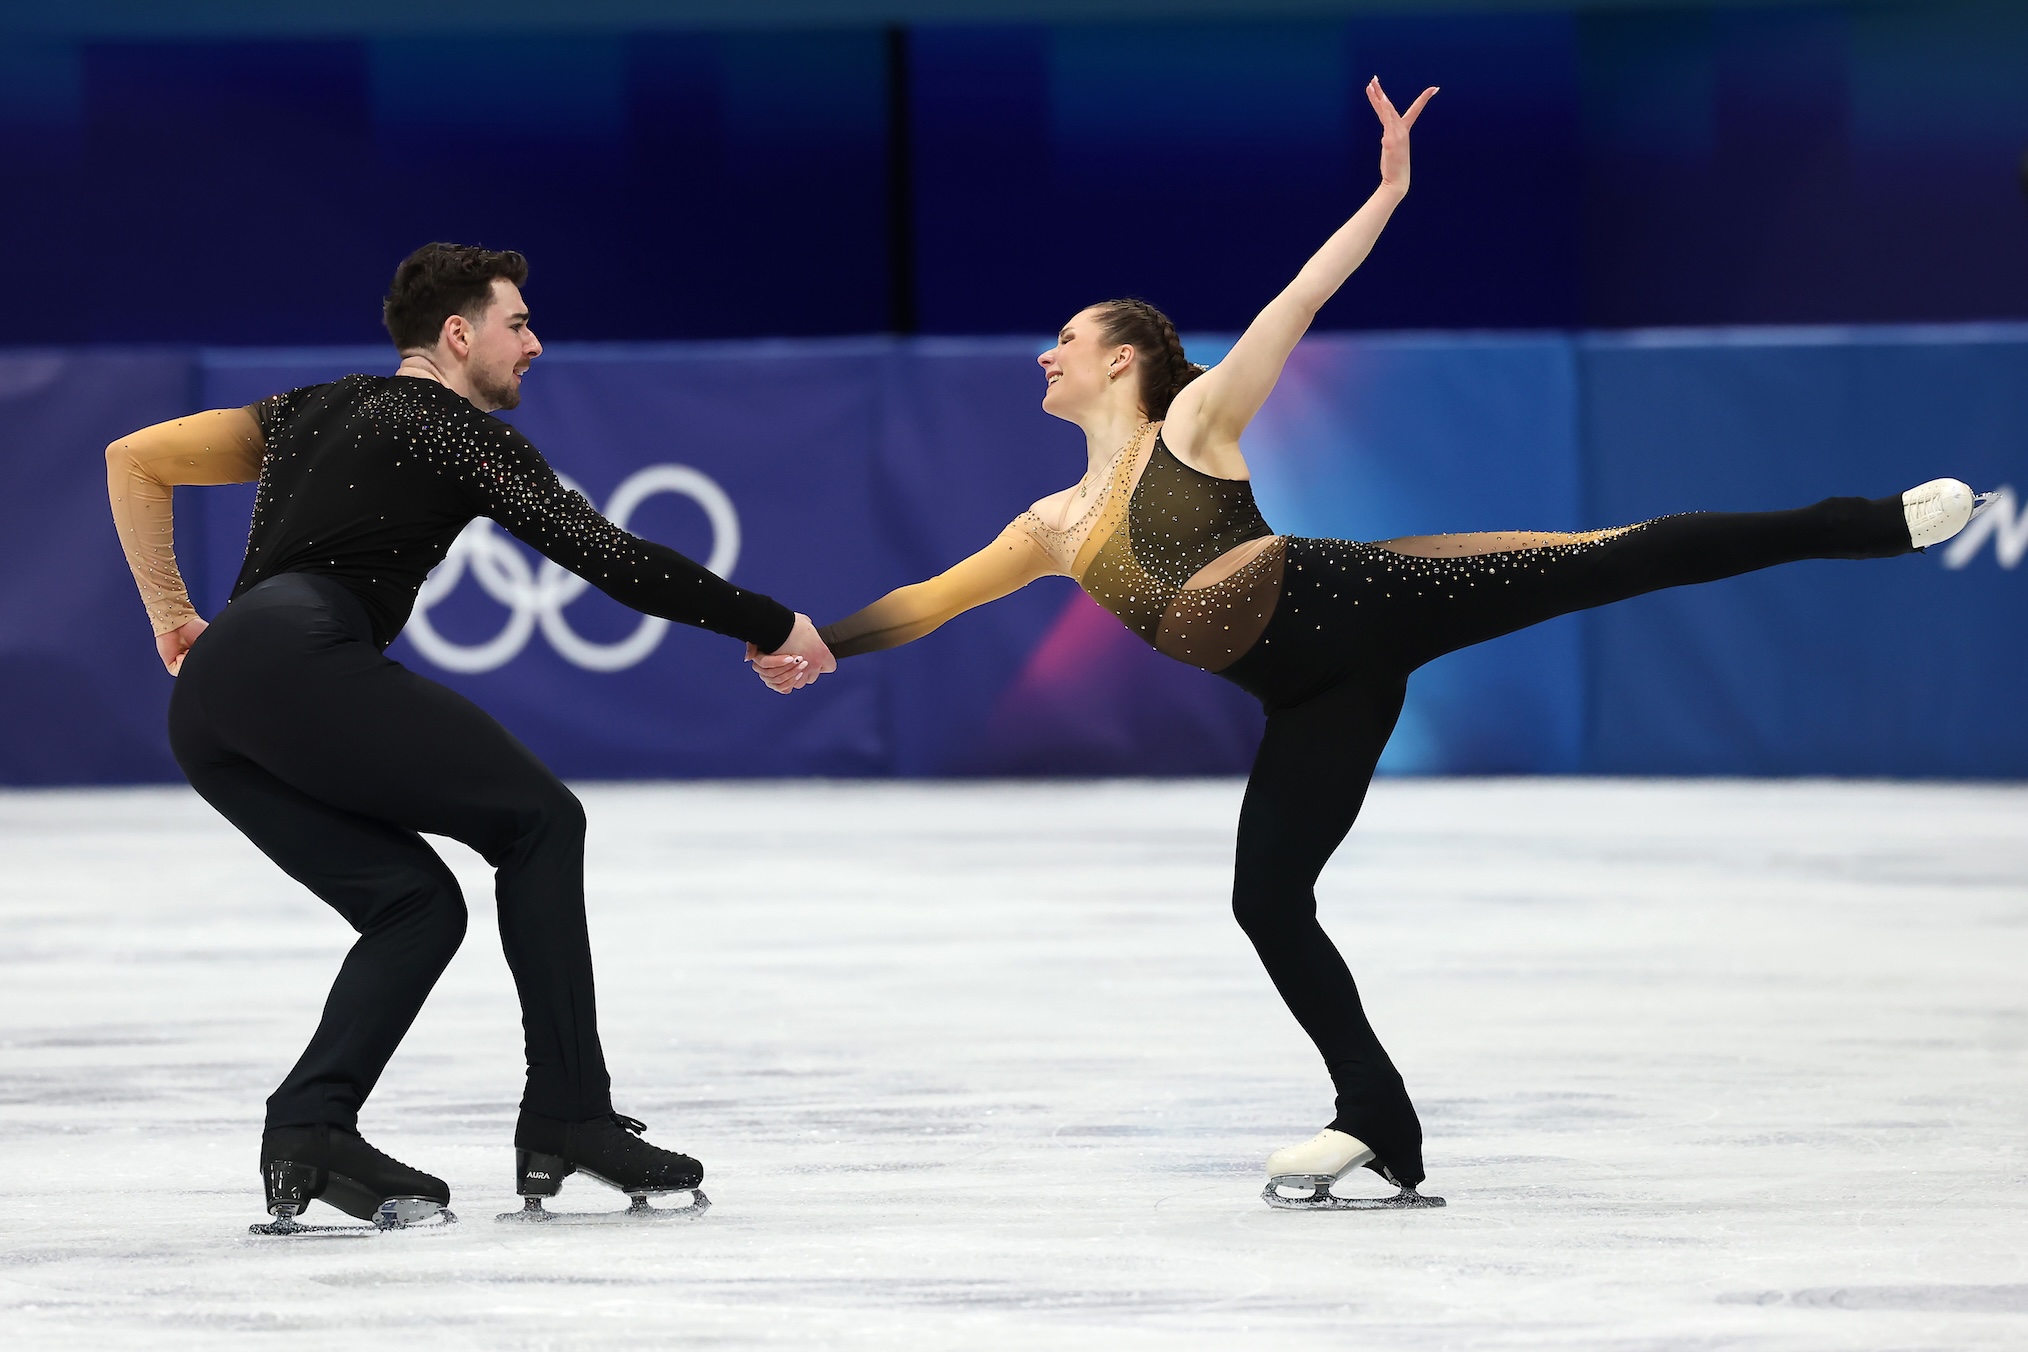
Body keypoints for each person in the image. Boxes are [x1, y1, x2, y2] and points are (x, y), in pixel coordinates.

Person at [751, 79, 1986, 1209]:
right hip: (1314, 695)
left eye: (1065, 339)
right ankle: (1380, 1121)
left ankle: (1873, 523)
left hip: (1359, 602)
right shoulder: (1053, 528)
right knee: (1266, 898)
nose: (1045, 352)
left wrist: (1387, 190)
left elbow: (1299, 300)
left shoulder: (1193, 416)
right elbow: (925, 598)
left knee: (1617, 552)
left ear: (1119, 358)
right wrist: (819, 639)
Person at [107, 242, 836, 1233]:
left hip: (211, 706)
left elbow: (135, 457)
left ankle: (310, 1126)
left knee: (414, 902)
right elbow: (611, 558)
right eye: (519, 322)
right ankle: (571, 1114)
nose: (534, 343)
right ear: (459, 334)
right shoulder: (450, 428)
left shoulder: (306, 409)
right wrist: (766, 618)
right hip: (299, 659)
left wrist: (172, 616)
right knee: (541, 820)